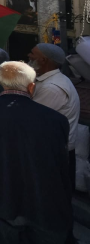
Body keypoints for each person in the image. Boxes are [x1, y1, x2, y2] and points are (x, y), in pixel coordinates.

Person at [0, 61, 72, 244]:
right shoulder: (57, 120)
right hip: (43, 202)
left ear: (1, 83)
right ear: (31, 87)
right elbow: (61, 160)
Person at [28, 43, 80, 183]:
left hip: (54, 151)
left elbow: (31, 119)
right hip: (52, 148)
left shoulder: (52, 87)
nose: (29, 56)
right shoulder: (50, 81)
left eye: (32, 53)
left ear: (43, 60)